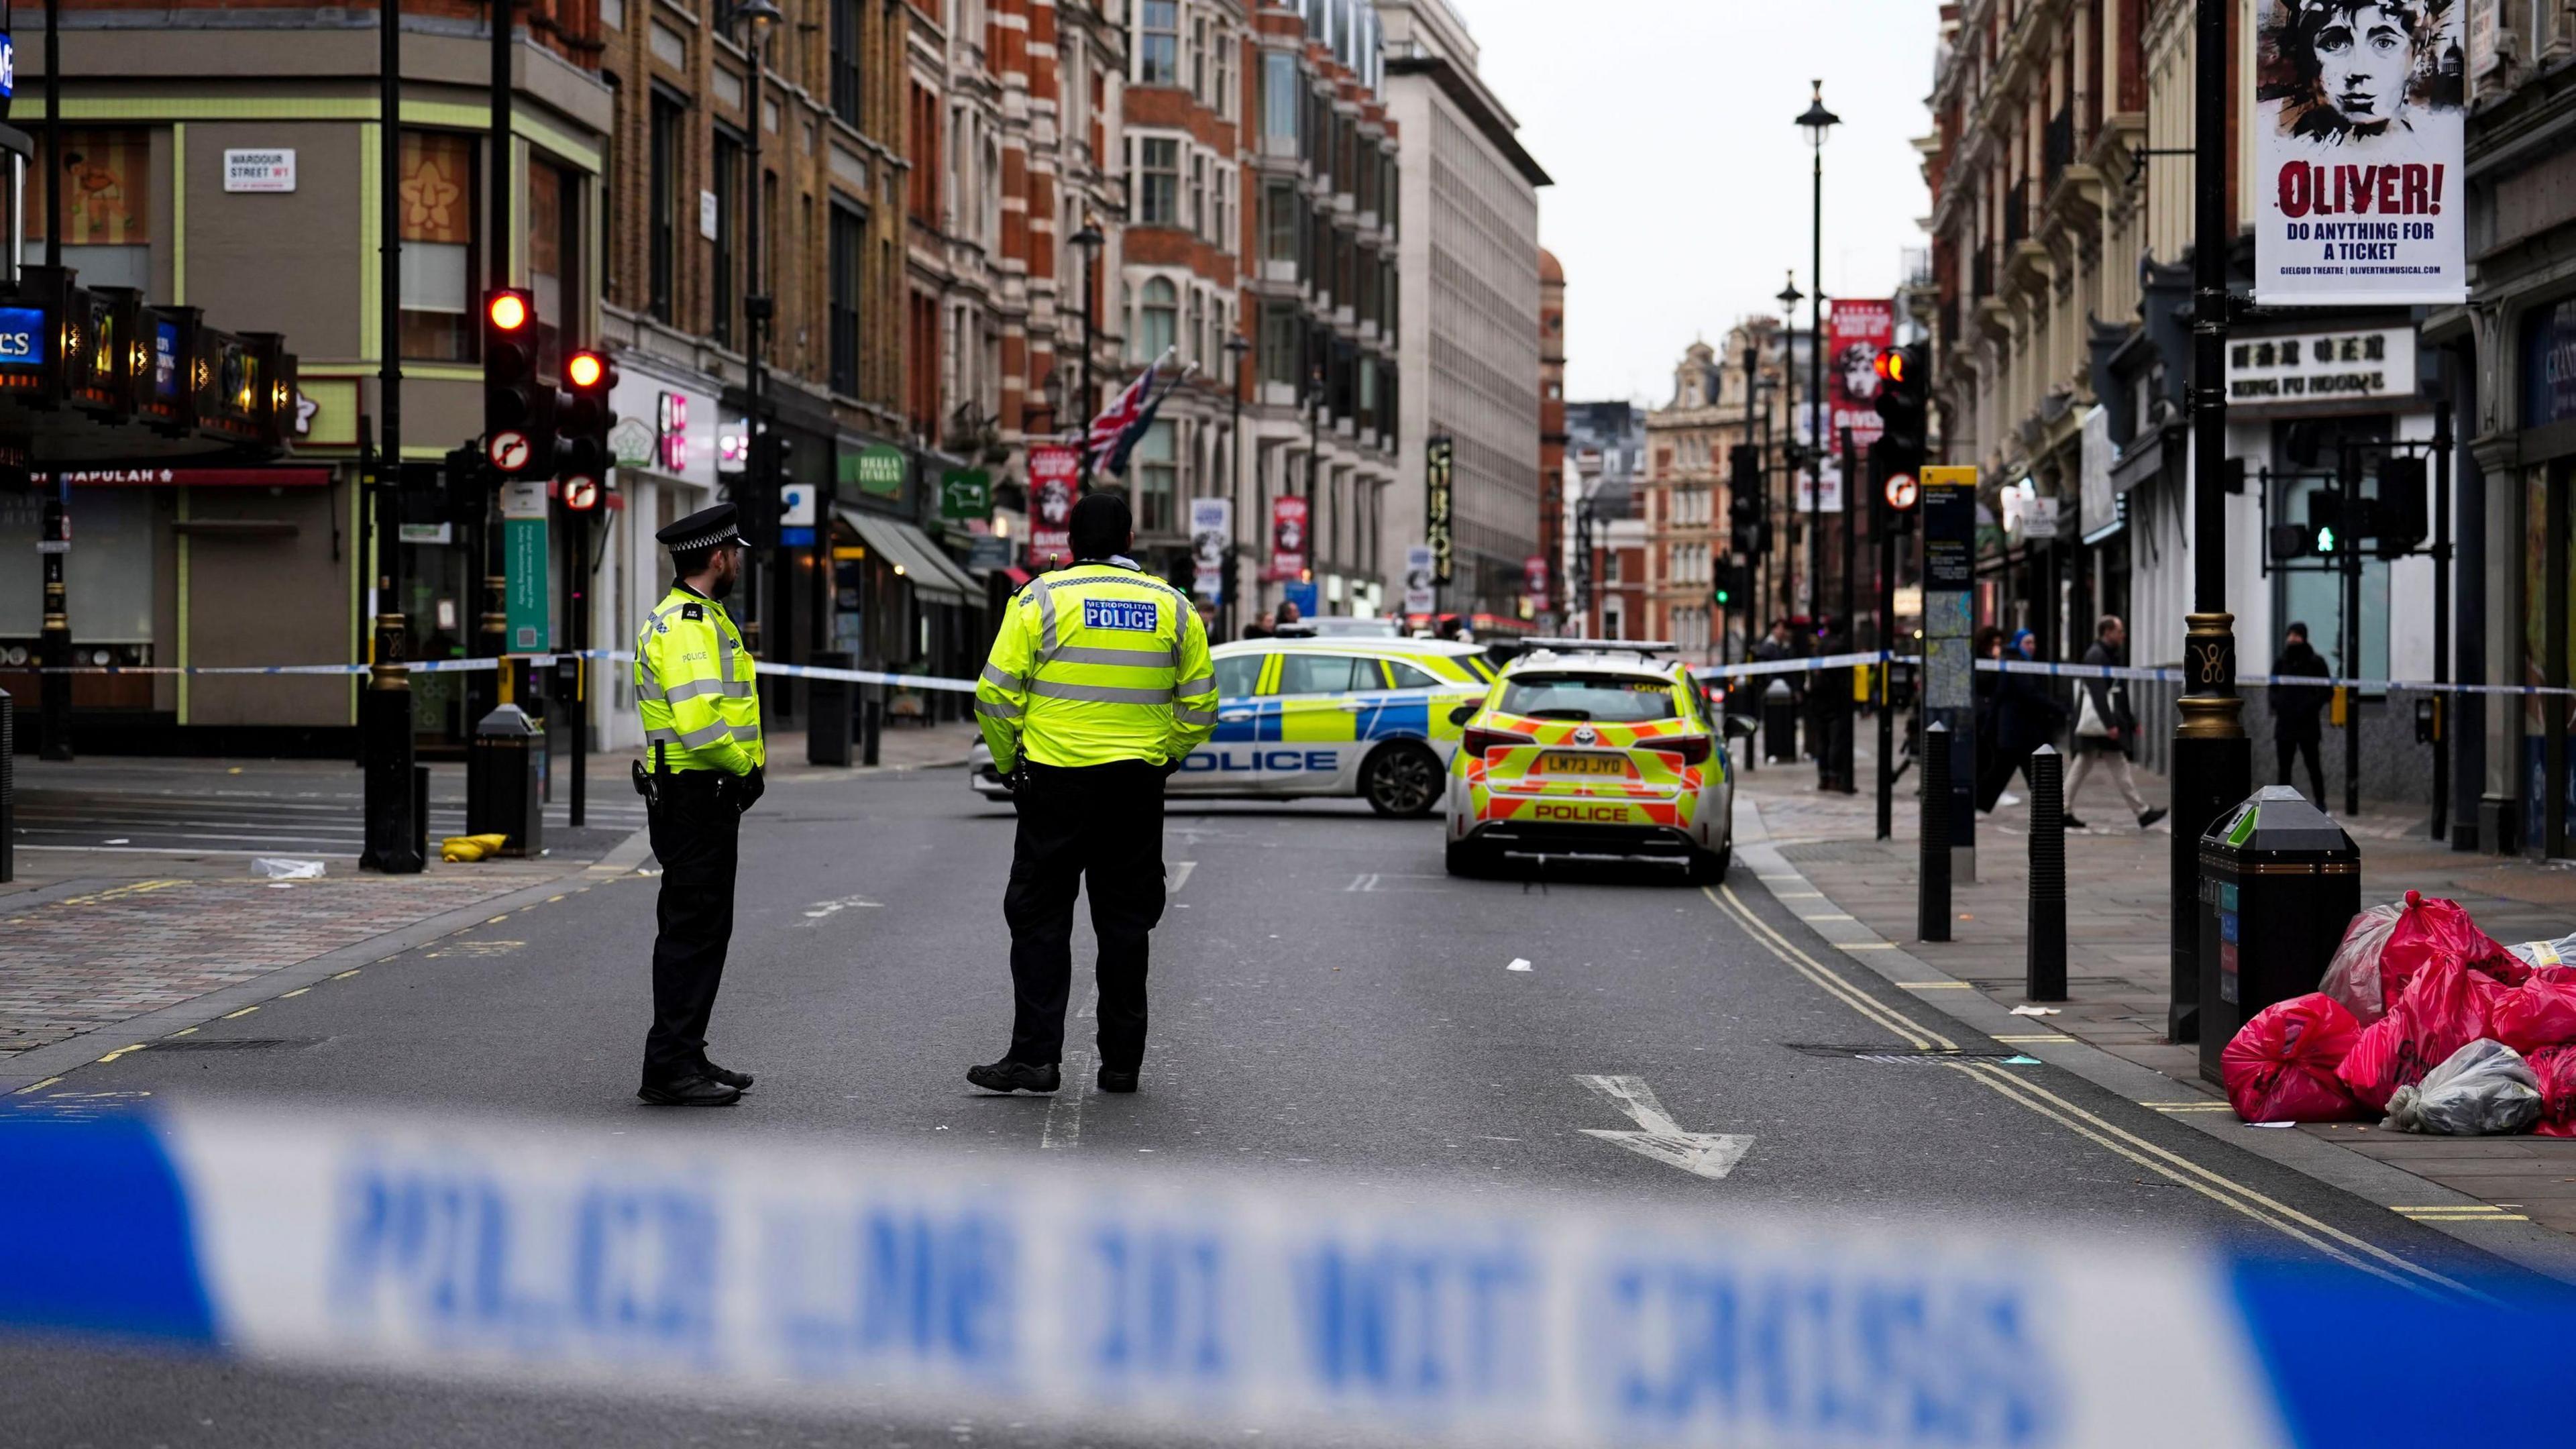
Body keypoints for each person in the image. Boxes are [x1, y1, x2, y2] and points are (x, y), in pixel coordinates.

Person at [969, 491, 1219, 1097]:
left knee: (1039, 921)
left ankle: (1034, 1059)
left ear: (1071, 543)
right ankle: (1122, 1064)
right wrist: (1163, 759)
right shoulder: (1174, 606)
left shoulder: (1039, 598)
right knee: (1127, 925)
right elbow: (1202, 705)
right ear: (1130, 540)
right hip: (1134, 787)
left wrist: (1011, 765)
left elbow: (995, 696)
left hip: (1054, 785)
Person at [630, 503, 765, 1108]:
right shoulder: (688, 624)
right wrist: (745, 768)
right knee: (692, 932)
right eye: (733, 553)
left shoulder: (698, 615)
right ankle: (668, 1068)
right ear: (717, 557)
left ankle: (686, 1052)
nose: (736, 562)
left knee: (703, 930)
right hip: (696, 793)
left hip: (697, 793)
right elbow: (698, 720)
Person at [2063, 614, 2169, 832]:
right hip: (2101, 722)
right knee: (2109, 764)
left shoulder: (2107, 654)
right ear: (2107, 632)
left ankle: (2063, 809)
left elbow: (2118, 691)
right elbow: (2098, 692)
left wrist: (2130, 721)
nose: (2123, 635)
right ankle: (2141, 812)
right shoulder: (2097, 656)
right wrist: (2110, 724)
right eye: (2119, 631)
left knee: (2088, 763)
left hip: (2104, 722)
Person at [1980, 629, 2065, 812]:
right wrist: (2057, 708)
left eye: (2033, 643)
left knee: (2007, 771)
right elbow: (2029, 694)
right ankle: (2050, 809)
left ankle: (1980, 804)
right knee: (2014, 771)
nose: (2032, 647)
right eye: (2028, 643)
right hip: (2018, 730)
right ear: (2018, 644)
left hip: (2020, 730)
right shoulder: (2016, 663)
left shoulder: (2019, 662)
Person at [2274, 621, 2332, 805]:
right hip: (2285, 724)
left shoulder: (2316, 662)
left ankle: (2321, 803)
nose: (2293, 638)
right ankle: (2282, 805)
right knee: (2284, 768)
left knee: (2314, 766)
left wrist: (2310, 706)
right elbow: (2272, 688)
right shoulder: (2281, 661)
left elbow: (2327, 691)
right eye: (2290, 635)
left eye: (2297, 635)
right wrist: (2279, 705)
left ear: (2304, 637)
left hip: (2308, 724)